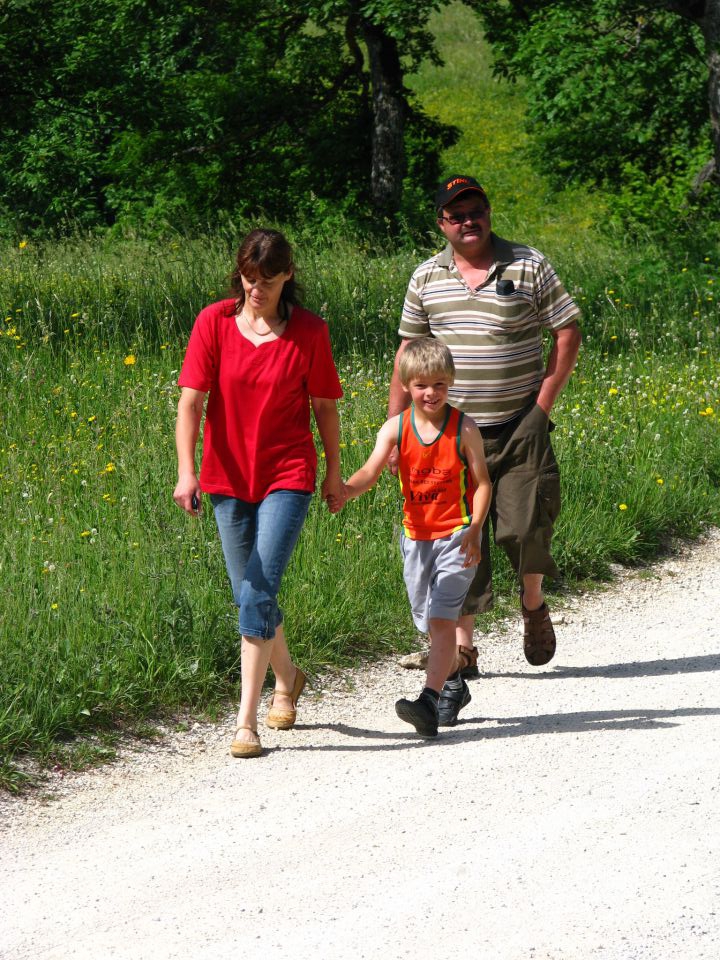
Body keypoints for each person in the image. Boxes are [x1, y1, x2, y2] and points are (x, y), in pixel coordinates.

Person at [389, 175, 582, 676]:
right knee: (459, 536)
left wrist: (543, 404)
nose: (467, 221)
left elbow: (566, 330)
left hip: (520, 423)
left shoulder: (528, 263)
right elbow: (407, 353)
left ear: (488, 213)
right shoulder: (426, 277)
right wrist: (397, 429)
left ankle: (533, 604)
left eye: (474, 211)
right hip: (447, 433)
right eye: (456, 215)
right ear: (442, 225)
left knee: (524, 527)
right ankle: (462, 647)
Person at [173, 228, 343, 759]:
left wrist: (335, 472)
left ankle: (246, 721)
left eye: (267, 280)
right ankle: (289, 676)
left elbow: (325, 409)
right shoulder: (214, 323)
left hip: (288, 476)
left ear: (287, 276)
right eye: (249, 279)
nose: (256, 290)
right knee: (253, 591)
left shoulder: (310, 332)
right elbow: (190, 405)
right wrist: (186, 472)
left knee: (259, 586)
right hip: (225, 478)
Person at [343, 338, 492, 737]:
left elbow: (482, 484)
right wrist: (343, 490)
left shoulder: (465, 428)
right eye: (423, 384)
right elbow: (370, 472)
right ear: (407, 384)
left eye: (441, 384)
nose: (432, 393)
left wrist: (475, 529)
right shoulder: (396, 428)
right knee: (427, 622)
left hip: (457, 537)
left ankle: (428, 700)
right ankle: (455, 673)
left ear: (451, 383)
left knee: (443, 620)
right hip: (416, 539)